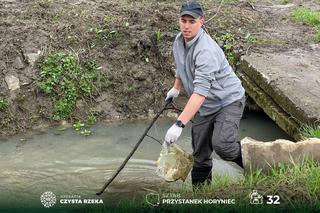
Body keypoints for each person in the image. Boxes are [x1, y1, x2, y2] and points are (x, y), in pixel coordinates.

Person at [164, 0, 246, 188]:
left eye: (191, 21)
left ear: (201, 21)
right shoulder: (179, 41)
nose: (186, 26)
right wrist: (176, 87)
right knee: (200, 153)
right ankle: (201, 197)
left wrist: (179, 124)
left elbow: (200, 93)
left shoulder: (206, 51)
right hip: (205, 105)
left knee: (223, 146)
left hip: (228, 100)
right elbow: (182, 65)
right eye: (183, 20)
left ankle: (260, 162)